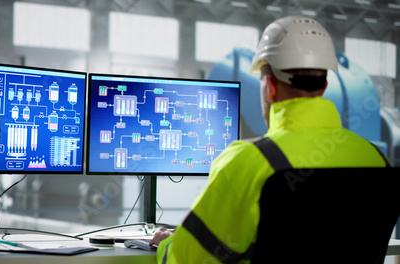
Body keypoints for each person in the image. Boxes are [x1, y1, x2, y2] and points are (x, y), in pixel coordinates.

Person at [149, 15, 390, 264]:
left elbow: (188, 260)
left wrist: (168, 242)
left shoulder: (249, 161)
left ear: (270, 86)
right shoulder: (376, 159)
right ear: (324, 87)